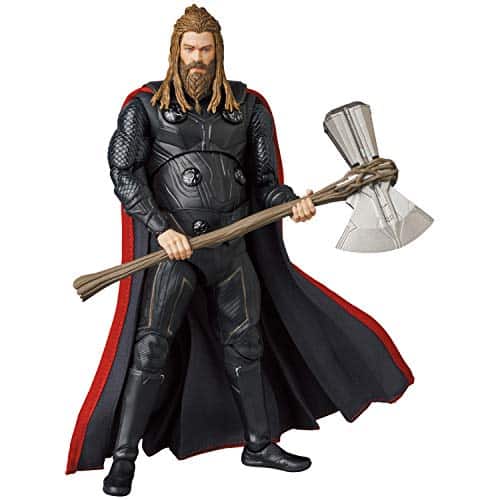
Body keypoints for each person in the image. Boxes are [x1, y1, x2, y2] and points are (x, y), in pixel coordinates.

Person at [67, 5, 414, 496]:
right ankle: (123, 459)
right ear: (176, 52)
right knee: (150, 348)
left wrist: (291, 202)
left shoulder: (247, 108)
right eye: (190, 49)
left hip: (231, 249)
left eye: (206, 50)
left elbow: (264, 181)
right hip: (177, 250)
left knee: (246, 344)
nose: (197, 59)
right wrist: (160, 229)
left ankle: (259, 444)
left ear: (218, 52)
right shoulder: (144, 107)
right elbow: (124, 173)